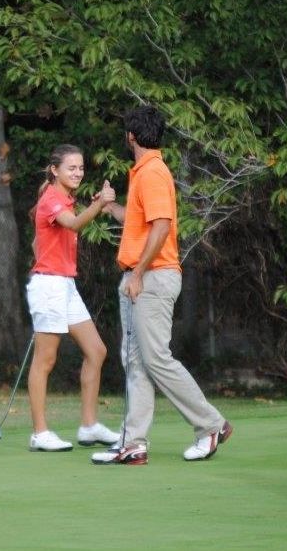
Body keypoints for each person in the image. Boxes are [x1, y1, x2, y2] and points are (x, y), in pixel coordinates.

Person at [92, 106, 232, 465]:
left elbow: (162, 226)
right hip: (142, 275)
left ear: (130, 136)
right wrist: (110, 207)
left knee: (155, 359)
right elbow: (139, 221)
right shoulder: (144, 172)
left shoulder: (153, 172)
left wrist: (138, 273)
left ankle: (211, 425)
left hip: (152, 276)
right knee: (136, 361)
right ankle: (133, 443)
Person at [25, 144, 121, 452]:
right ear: (55, 170)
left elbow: (39, 242)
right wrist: (99, 205)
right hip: (49, 286)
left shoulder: (64, 199)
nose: (78, 173)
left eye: (81, 168)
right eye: (71, 168)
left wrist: (94, 207)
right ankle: (40, 433)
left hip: (64, 285)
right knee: (45, 360)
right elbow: (74, 223)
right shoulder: (51, 199)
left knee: (96, 351)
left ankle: (89, 426)